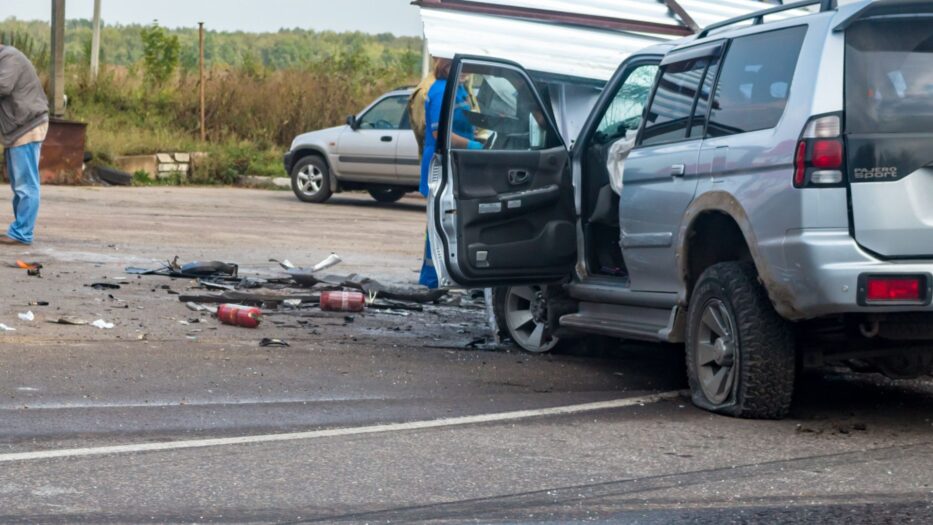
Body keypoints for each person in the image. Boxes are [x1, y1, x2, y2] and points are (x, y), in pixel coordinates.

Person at [418, 58, 482, 289]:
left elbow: (462, 123)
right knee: (439, 222)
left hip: (457, 161)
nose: (467, 72)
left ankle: (446, 275)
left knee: (452, 220)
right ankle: (431, 279)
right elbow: (440, 134)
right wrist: (474, 146)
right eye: (463, 68)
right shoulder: (441, 91)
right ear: (448, 66)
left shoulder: (459, 89)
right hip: (441, 163)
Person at [0, 45, 49, 246]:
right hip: (16, 130)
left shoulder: (10, 58)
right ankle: (19, 229)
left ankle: (22, 233)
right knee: (19, 184)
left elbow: (3, 87)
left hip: (27, 127)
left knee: (26, 184)